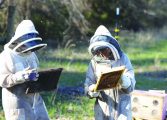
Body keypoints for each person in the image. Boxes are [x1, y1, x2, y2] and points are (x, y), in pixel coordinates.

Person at [0, 20, 50, 120]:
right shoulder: (6, 56)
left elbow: (35, 73)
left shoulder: (32, 55)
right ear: (18, 40)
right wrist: (20, 76)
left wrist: (45, 80)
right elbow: (2, 80)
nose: (27, 47)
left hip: (36, 101)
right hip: (17, 103)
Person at [84, 25, 136, 120]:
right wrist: (92, 91)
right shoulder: (93, 63)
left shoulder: (123, 58)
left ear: (109, 48)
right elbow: (88, 84)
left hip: (122, 107)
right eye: (98, 51)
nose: (101, 53)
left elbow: (130, 86)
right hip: (103, 107)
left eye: (102, 49)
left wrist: (124, 80)